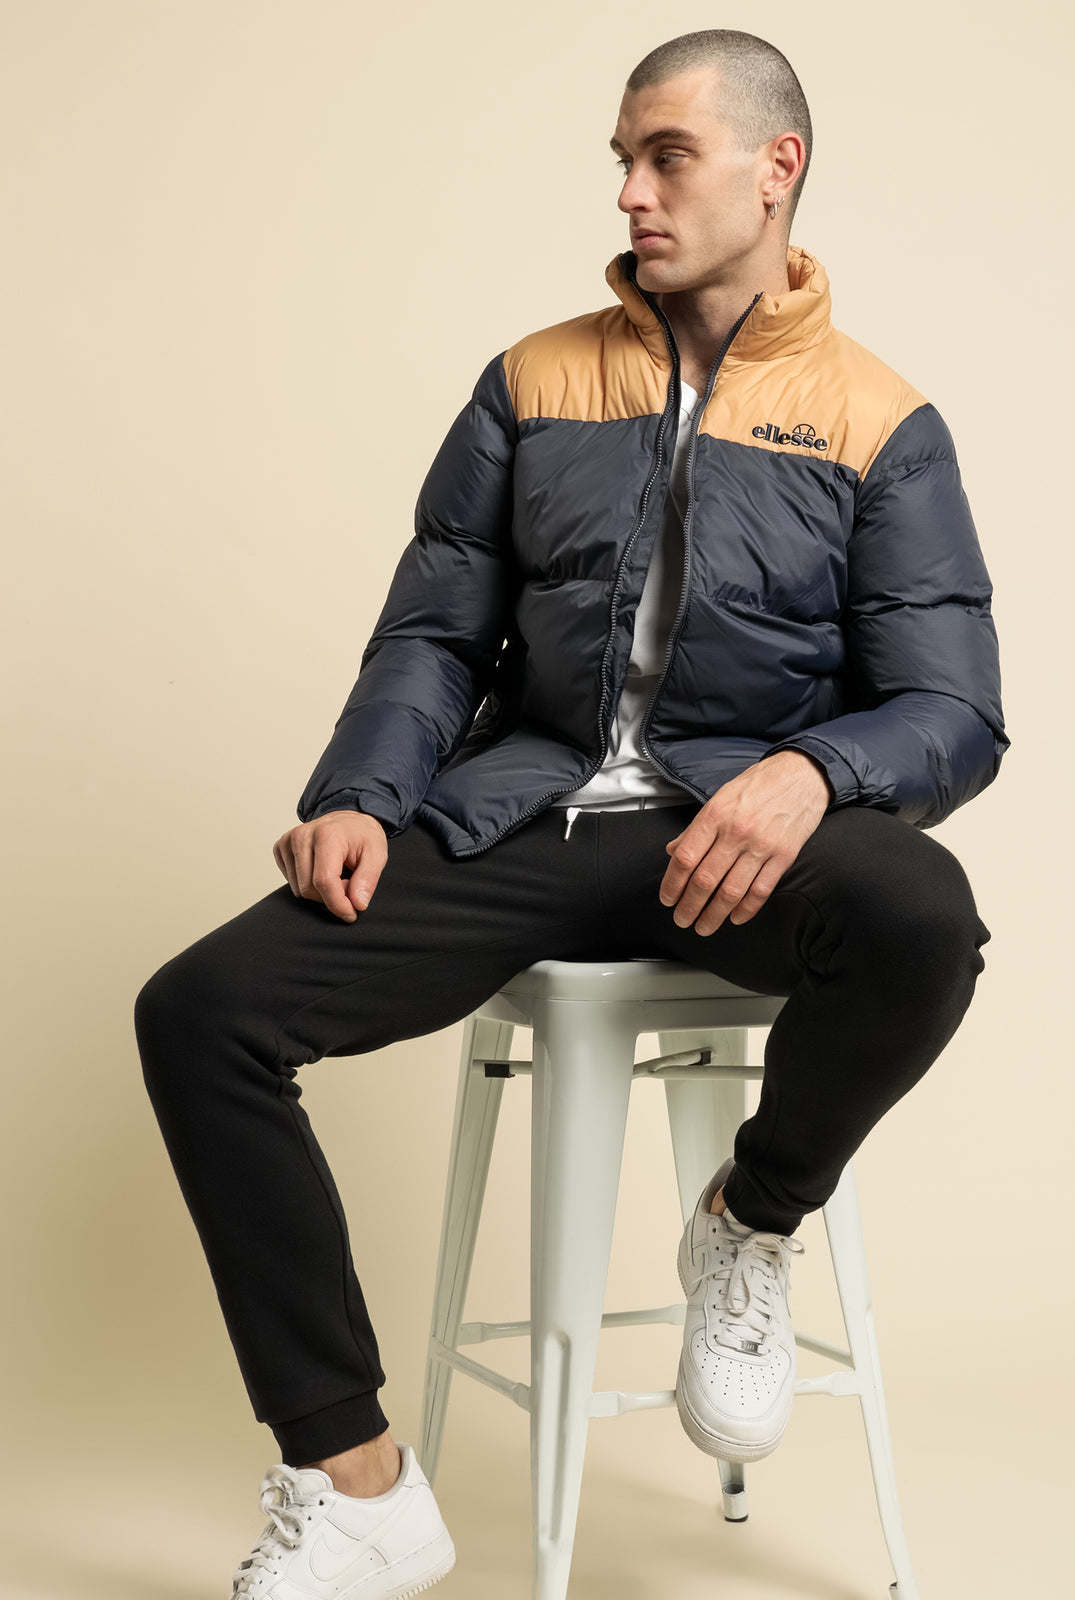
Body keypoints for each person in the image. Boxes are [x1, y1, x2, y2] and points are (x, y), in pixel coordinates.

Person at [135, 27, 1007, 1600]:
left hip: (737, 839)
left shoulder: (882, 419)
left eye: (667, 156)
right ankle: (357, 1486)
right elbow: (435, 633)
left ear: (776, 168)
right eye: (622, 158)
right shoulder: (533, 380)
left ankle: (750, 1218)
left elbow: (952, 709)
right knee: (202, 1012)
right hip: (527, 816)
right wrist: (360, 795)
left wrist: (812, 772)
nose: (630, 192)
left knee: (923, 916)